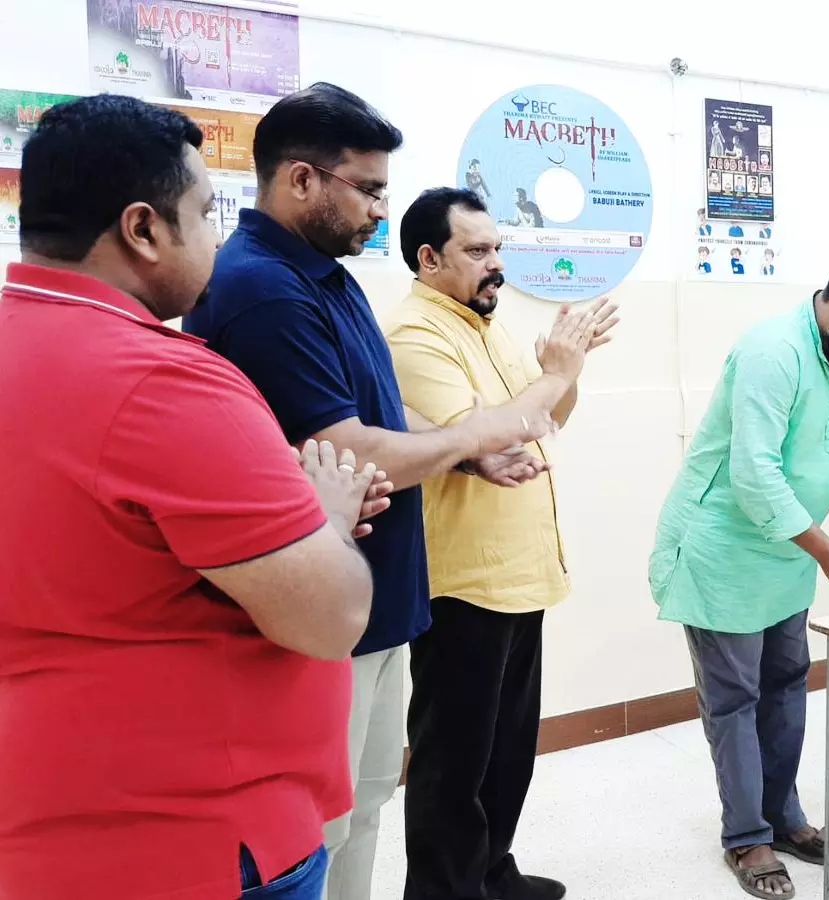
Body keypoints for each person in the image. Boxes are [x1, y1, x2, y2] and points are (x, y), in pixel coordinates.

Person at [0, 94, 385, 900]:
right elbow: (330, 617)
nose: (216, 237)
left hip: (47, 812)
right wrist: (325, 513)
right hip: (192, 837)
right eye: (206, 214)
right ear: (144, 229)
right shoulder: (165, 384)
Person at [183, 83, 551, 900]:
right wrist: (475, 435)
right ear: (301, 180)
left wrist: (464, 458)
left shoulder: (327, 277)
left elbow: (379, 411)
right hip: (321, 618)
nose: (382, 212)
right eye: (370, 191)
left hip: (380, 603)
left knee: (365, 801)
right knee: (315, 828)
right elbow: (346, 448)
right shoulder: (262, 288)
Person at [650, 254, 829, 900]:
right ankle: (747, 837)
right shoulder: (773, 353)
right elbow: (755, 476)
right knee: (734, 700)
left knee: (787, 687)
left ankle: (783, 815)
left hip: (789, 553)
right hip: (723, 553)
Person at [386, 187, 618, 900]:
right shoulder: (415, 335)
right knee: (453, 764)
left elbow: (543, 421)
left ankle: (492, 873)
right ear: (429, 258)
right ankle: (445, 891)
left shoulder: (487, 325)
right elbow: (481, 438)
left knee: (506, 754)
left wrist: (562, 375)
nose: (496, 264)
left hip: (520, 574)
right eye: (478, 251)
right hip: (465, 584)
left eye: (498, 249)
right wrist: (550, 380)